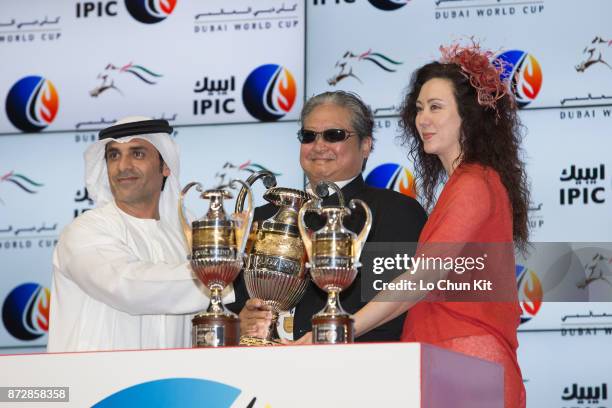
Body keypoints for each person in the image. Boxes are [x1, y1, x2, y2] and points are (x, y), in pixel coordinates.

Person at [346, 43, 529, 407]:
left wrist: (341, 329)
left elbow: (420, 280)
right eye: (418, 109)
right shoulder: (469, 182)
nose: (422, 119)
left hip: (465, 362)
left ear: (469, 116)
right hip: (449, 359)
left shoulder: (475, 183)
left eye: (435, 107)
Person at [230, 91, 427, 342]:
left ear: (366, 145)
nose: (318, 146)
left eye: (334, 135)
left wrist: (323, 338)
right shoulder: (262, 217)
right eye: (308, 136)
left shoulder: (394, 212)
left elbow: (395, 309)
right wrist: (242, 320)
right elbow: (232, 303)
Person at [48, 116, 227, 352]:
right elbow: (127, 285)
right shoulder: (86, 230)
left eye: (137, 154)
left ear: (165, 166)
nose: (123, 166)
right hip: (97, 385)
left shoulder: (191, 233)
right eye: (114, 155)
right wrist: (225, 279)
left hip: (173, 384)